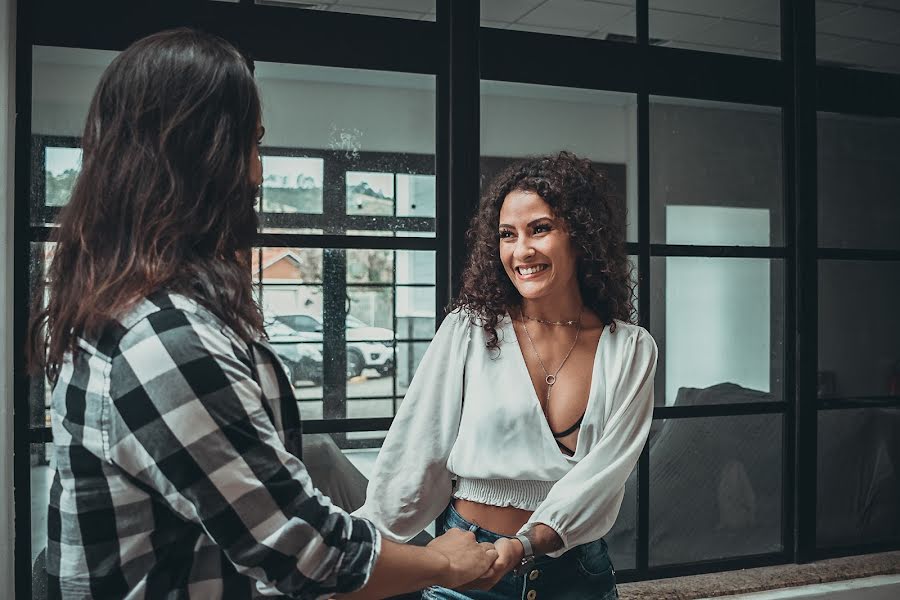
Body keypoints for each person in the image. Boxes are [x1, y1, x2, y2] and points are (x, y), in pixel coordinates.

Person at [26, 28, 498, 599]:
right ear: (201, 156)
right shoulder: (166, 340)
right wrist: (441, 562)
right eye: (250, 145)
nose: (257, 172)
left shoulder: (129, 312)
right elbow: (303, 550)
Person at [354, 152, 658, 599]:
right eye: (507, 235)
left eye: (540, 229)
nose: (522, 251)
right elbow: (414, 456)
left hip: (577, 579)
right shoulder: (469, 330)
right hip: (467, 571)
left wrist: (521, 547)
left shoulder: (629, 349)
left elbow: (601, 481)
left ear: (581, 236)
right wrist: (349, 556)